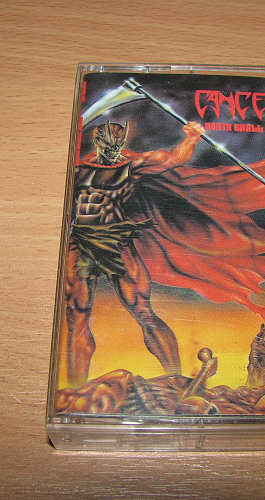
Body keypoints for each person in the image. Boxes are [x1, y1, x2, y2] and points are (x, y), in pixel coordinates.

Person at [64, 120, 205, 387]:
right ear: (98, 142)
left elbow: (172, 159)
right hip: (81, 241)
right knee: (76, 315)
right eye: (108, 145)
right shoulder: (80, 167)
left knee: (142, 309)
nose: (113, 149)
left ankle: (176, 379)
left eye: (117, 144)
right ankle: (74, 391)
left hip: (116, 239)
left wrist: (191, 139)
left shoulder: (133, 164)